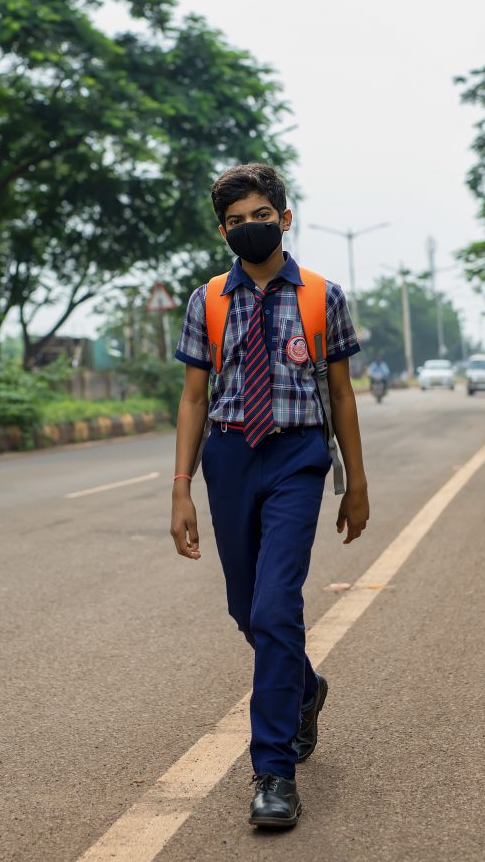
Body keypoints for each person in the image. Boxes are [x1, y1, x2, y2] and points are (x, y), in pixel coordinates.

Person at [171, 162, 370, 829]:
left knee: (277, 603)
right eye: (236, 221)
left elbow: (341, 391)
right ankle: (304, 689)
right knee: (246, 611)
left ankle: (273, 771)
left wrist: (357, 484)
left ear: (285, 219)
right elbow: (194, 396)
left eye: (261, 216)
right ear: (222, 230)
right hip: (229, 458)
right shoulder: (209, 300)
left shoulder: (321, 295)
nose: (250, 229)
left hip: (296, 456)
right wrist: (181, 490)